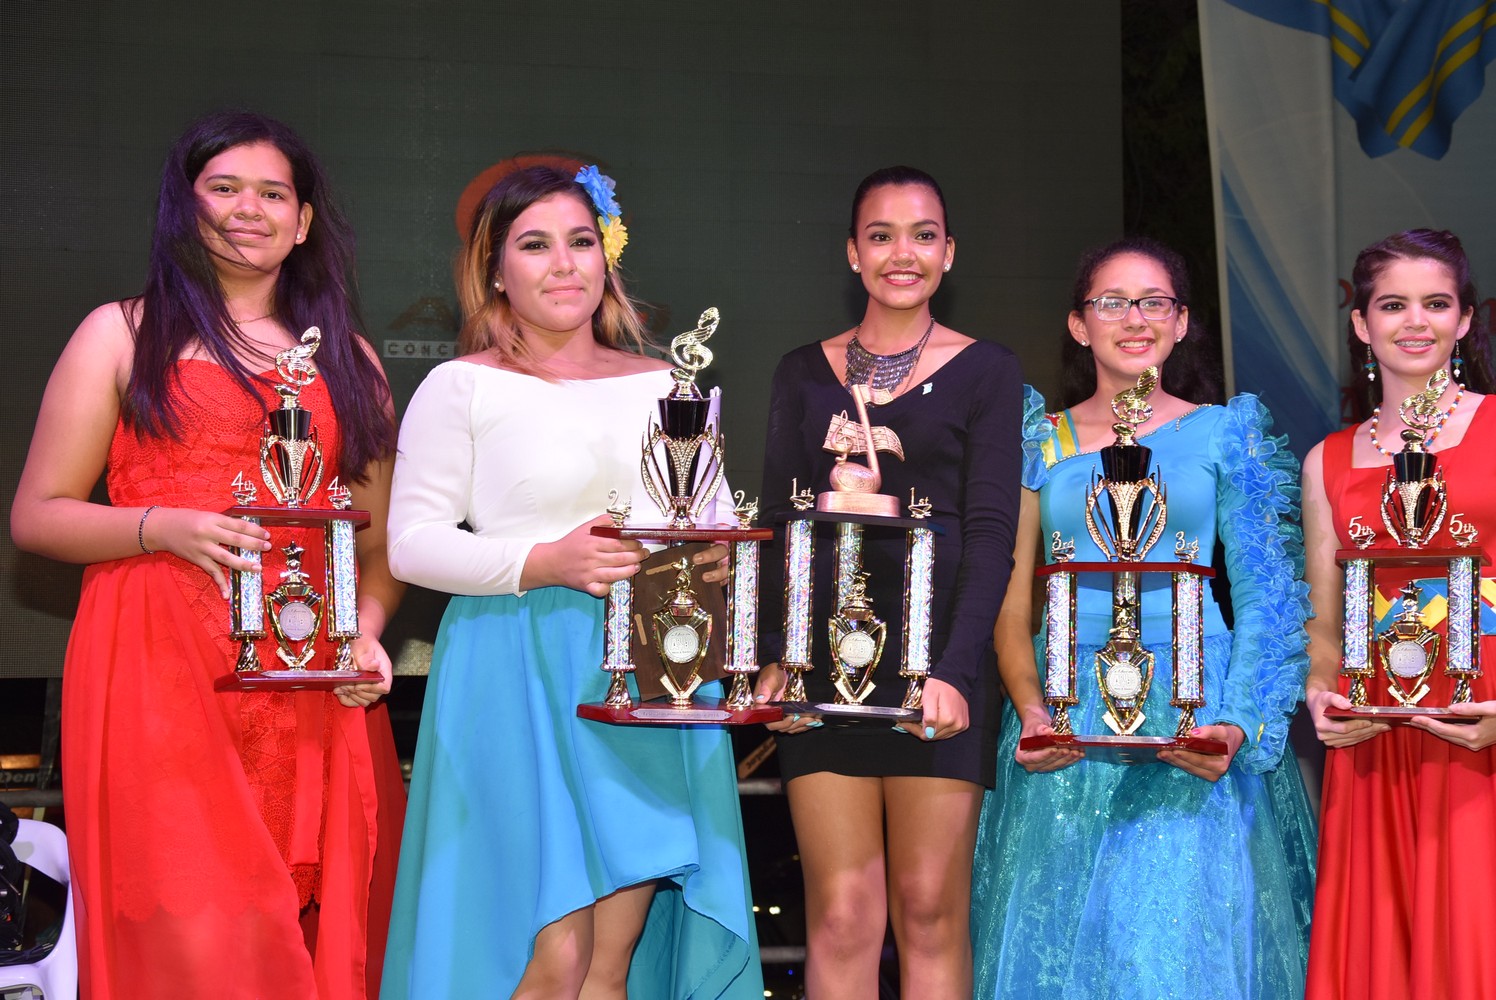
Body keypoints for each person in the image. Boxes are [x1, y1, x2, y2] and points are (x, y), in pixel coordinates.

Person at [9, 110, 406, 998]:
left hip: (310, 681)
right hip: (158, 670)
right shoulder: (119, 334)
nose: (248, 210)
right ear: (185, 210)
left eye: (273, 193)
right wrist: (162, 526)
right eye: (223, 189)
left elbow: (377, 544)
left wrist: (368, 633)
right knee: (195, 927)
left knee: (310, 929)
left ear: (303, 221)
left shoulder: (353, 362)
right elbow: (37, 515)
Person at [380, 165, 762, 999]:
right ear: (494, 270)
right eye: (535, 245)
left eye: (581, 243)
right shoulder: (460, 386)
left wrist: (714, 554)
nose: (563, 264)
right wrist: (545, 561)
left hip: (648, 673)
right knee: (550, 958)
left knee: (606, 968)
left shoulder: (670, 386)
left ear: (606, 260)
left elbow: (714, 525)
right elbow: (409, 545)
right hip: (512, 671)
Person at [969, 236, 1318, 999]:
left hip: (1196, 715)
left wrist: (1237, 722)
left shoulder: (1228, 433)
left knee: (1170, 953)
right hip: (1067, 718)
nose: (1135, 318)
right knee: (1064, 956)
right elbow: (1011, 597)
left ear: (1183, 320)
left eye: (1154, 301)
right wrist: (1032, 710)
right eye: (1112, 301)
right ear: (1077, 324)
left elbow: (1266, 597)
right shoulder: (1041, 439)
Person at [752, 166, 1023, 999]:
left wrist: (955, 671)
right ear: (853, 253)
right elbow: (774, 526)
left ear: (949, 252)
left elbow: (991, 536)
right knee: (839, 913)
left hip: (933, 672)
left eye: (923, 234)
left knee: (929, 909)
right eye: (881, 235)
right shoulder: (802, 371)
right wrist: (772, 656)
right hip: (820, 676)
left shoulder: (987, 372)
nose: (902, 253)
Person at [1302, 229, 1496, 999]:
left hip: (1482, 733)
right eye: (1393, 304)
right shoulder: (1330, 458)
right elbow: (1321, 620)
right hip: (1372, 743)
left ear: (1465, 319)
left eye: (1436, 303)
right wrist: (1321, 696)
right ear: (1361, 323)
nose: (1415, 321)